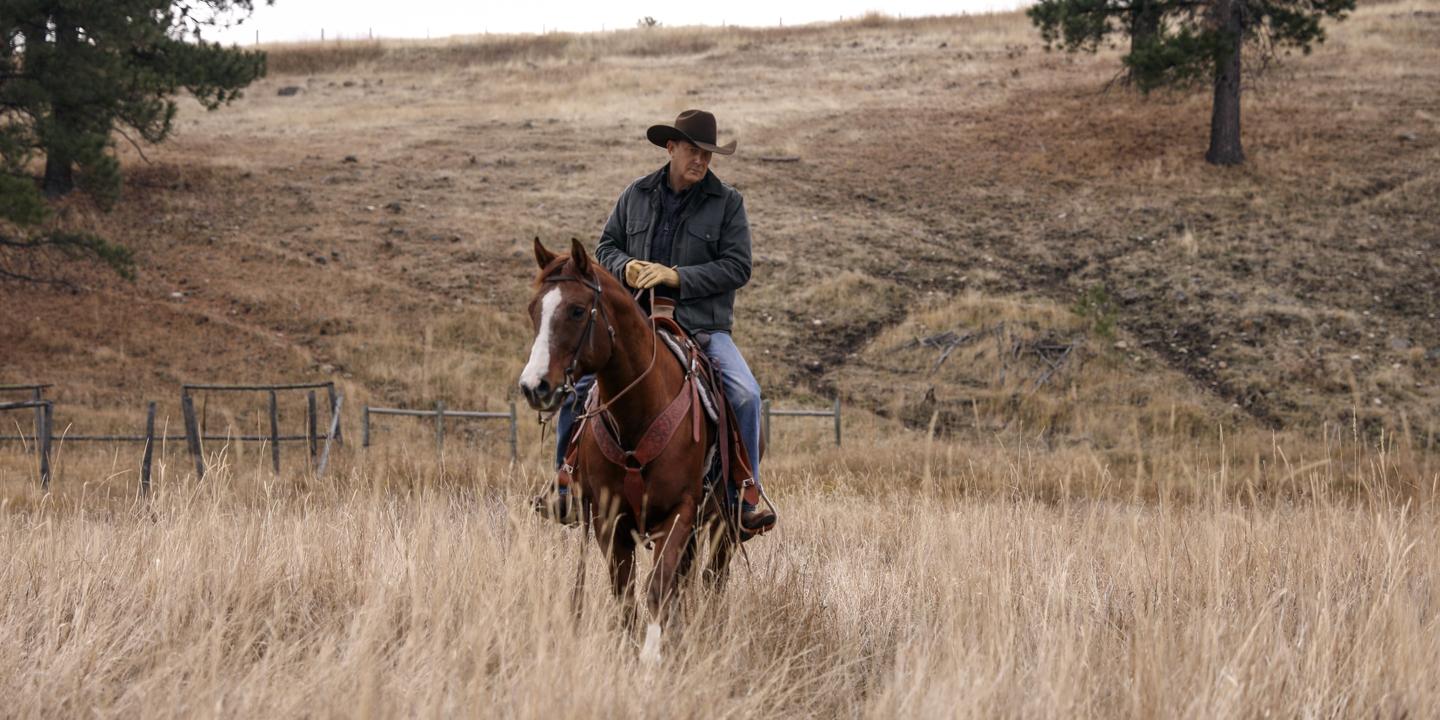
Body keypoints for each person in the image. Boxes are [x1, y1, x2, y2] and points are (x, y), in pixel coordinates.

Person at [552, 109, 775, 533]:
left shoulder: (728, 203)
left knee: (746, 394)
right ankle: (564, 485)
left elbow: (737, 267)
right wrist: (628, 267)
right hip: (634, 326)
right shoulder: (635, 194)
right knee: (575, 387)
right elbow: (606, 247)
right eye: (693, 151)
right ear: (671, 148)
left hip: (703, 328)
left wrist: (678, 277)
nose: (701, 161)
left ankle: (743, 493)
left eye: (708, 155)